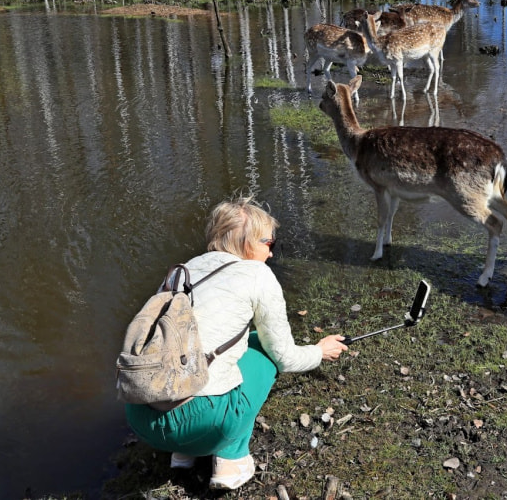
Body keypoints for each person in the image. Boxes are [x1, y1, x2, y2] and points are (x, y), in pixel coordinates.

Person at [124, 195, 348, 490]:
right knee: (264, 353)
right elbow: (285, 358)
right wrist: (318, 351)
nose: (270, 254)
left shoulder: (182, 270)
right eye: (269, 244)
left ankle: (184, 454)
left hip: (140, 416)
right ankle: (230, 460)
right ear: (248, 243)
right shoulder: (258, 274)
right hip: (203, 422)